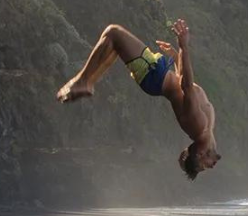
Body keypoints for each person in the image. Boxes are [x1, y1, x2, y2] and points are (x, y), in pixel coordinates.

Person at [57, 19, 220, 180]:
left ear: (198, 154)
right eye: (204, 165)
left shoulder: (198, 126)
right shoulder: (207, 128)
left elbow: (187, 87)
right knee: (114, 43)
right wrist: (177, 55)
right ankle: (86, 82)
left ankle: (84, 81)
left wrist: (184, 46)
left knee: (113, 33)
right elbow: (184, 84)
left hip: (154, 76)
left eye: (203, 165)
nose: (211, 165)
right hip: (158, 74)